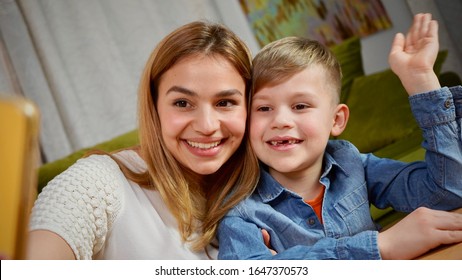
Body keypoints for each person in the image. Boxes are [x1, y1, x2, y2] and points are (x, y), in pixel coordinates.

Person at [217, 13, 462, 260]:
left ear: (336, 120)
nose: (280, 121)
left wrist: (421, 81)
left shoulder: (351, 163)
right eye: (263, 108)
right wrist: (378, 246)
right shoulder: (240, 210)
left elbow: (448, 192)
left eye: (300, 106)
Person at [26, 21, 259, 259]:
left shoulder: (265, 190)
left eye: (225, 103)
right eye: (182, 103)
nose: (207, 126)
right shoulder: (99, 182)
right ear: (154, 106)